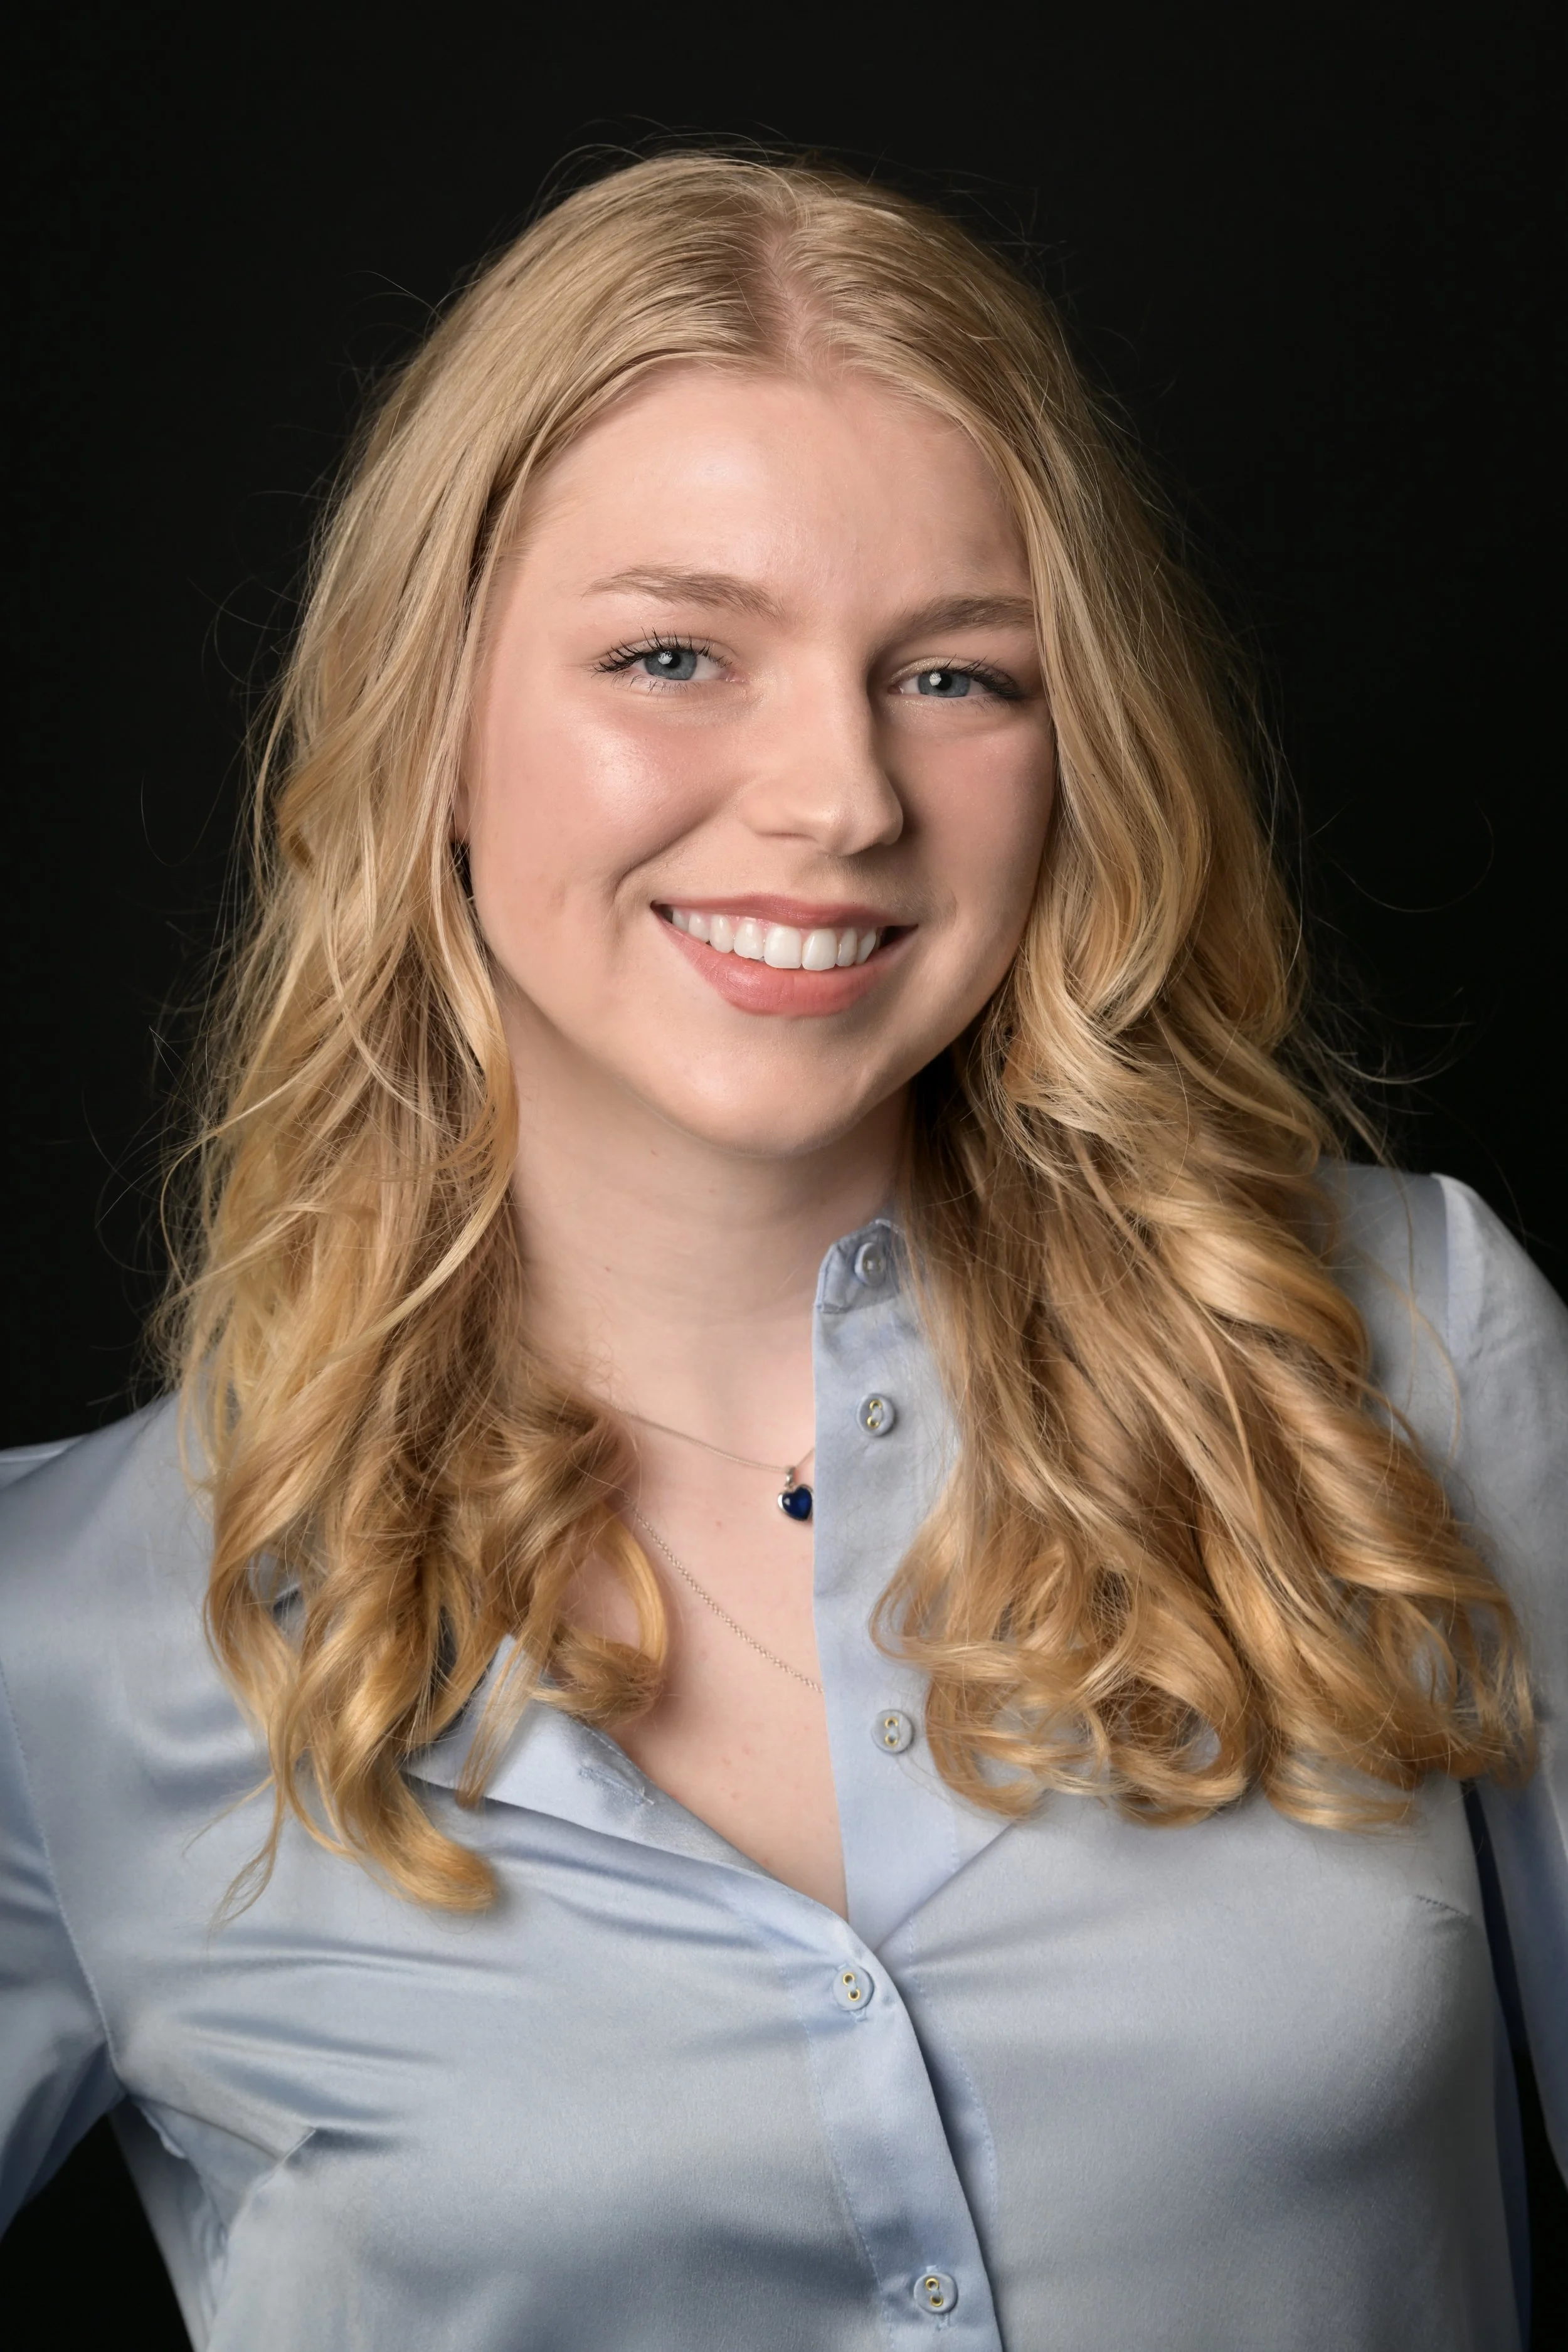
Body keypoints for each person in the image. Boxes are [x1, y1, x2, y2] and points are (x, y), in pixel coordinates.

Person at [1, 153, 1562, 2352]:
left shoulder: (1406, 1344)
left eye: (956, 675)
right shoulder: (59, 1641)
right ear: (428, 719)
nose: (839, 794)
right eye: (672, 654)